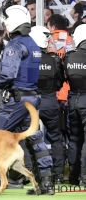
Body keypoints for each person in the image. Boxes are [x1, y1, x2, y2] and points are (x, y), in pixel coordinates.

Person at [0, 5, 54, 195]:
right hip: (31, 98)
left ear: (12, 23)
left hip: (16, 101)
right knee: (36, 141)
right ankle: (46, 184)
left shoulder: (15, 46)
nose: (3, 26)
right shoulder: (33, 45)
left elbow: (7, 75)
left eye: (5, 22)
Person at [29, 26, 66, 184]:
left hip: (32, 102)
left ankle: (35, 174)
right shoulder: (54, 59)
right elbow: (59, 83)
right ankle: (57, 175)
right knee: (56, 138)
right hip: (50, 101)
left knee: (32, 139)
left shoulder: (28, 58)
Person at [63, 23, 86, 186]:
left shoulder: (69, 56)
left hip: (73, 100)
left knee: (74, 139)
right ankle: (85, 176)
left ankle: (73, 176)